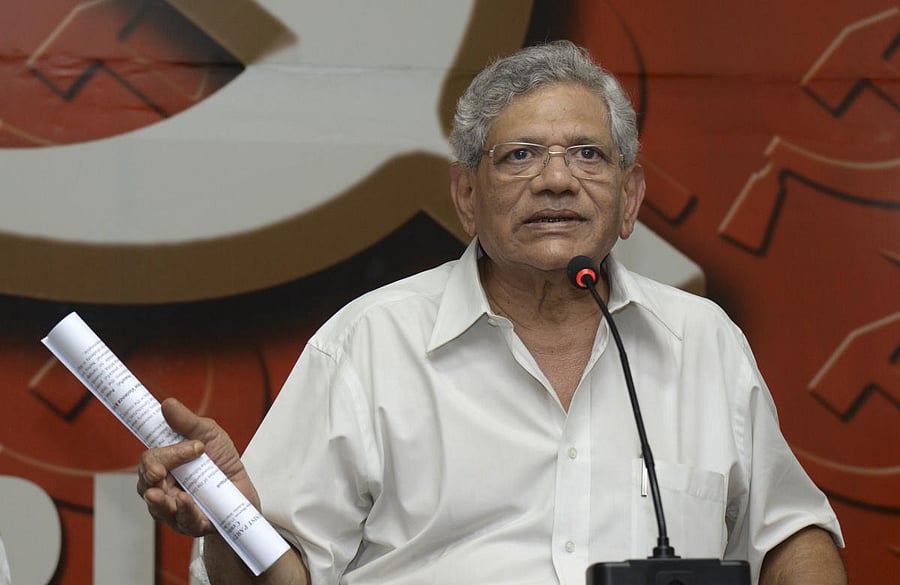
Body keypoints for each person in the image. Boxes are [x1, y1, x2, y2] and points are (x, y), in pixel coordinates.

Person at [138, 41, 847, 585]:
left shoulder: (702, 341)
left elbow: (792, 532)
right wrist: (231, 520)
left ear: (630, 198)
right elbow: (282, 574)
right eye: (520, 155)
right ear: (468, 196)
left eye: (587, 154)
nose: (556, 178)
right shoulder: (370, 344)